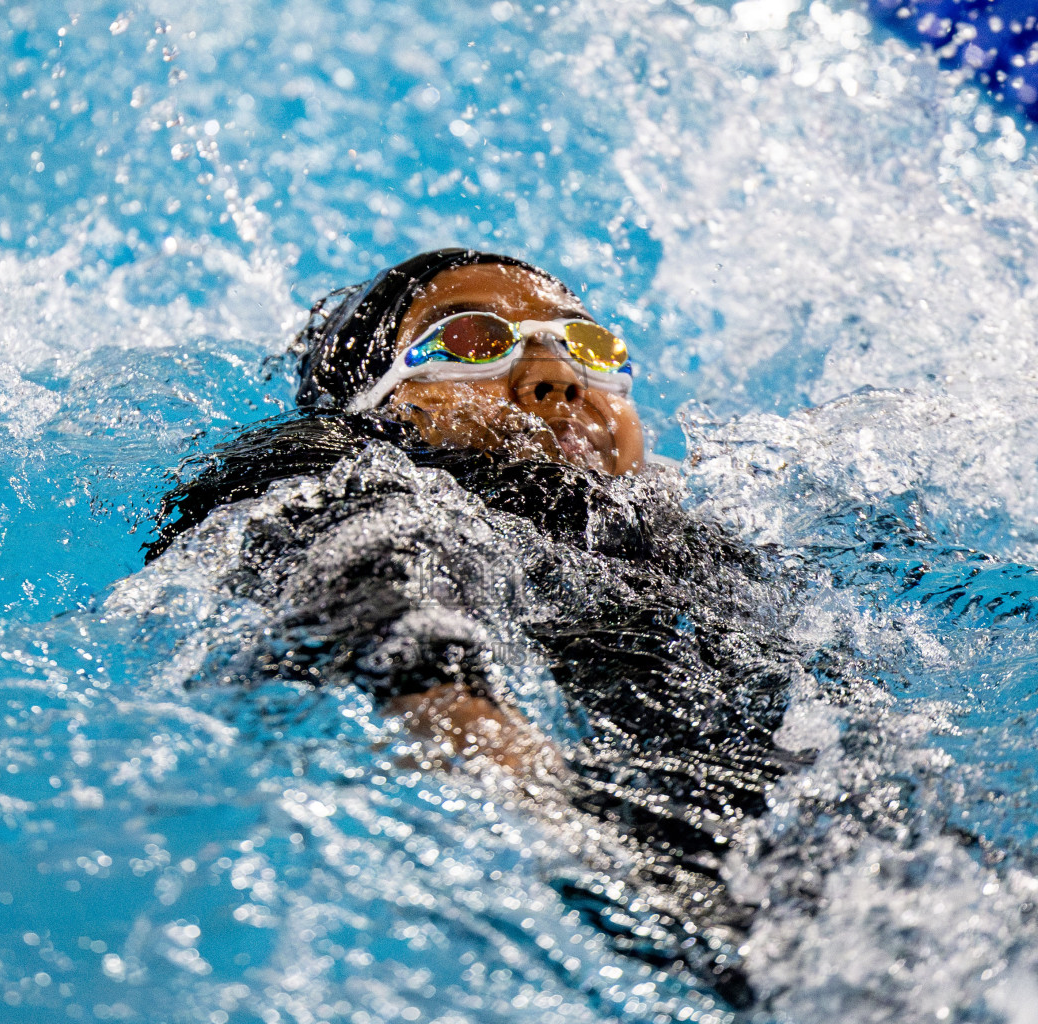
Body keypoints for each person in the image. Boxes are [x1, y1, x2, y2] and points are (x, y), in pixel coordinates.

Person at [146, 248, 855, 1005]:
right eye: (471, 343)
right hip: (601, 837)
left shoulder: (703, 543)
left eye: (585, 344)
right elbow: (368, 572)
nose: (553, 373)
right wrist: (497, 748)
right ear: (375, 408)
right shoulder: (350, 470)